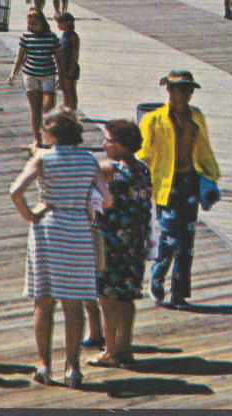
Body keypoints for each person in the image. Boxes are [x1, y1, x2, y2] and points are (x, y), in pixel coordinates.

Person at [10, 108, 113, 388]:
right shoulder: (88, 159)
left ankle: (43, 365)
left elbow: (15, 191)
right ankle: (73, 368)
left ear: (53, 132)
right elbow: (107, 200)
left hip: (48, 226)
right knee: (74, 302)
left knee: (43, 300)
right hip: (78, 227)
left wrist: (31, 215)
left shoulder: (43, 157)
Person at [137, 70, 221, 308]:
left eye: (189, 89)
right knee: (169, 237)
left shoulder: (196, 117)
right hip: (166, 182)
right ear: (169, 90)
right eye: (180, 88)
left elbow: (203, 147)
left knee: (187, 241)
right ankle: (157, 276)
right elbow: (143, 154)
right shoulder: (153, 119)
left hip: (189, 180)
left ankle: (180, 293)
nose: (185, 93)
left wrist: (210, 175)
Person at [87, 119, 152, 369]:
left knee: (106, 297)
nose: (104, 144)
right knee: (127, 296)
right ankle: (124, 347)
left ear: (123, 145)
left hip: (111, 242)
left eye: (109, 140)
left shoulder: (109, 170)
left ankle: (110, 351)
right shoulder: (143, 168)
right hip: (135, 242)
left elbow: (88, 172)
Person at [8, 9, 65, 147]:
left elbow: (58, 58)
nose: (32, 26)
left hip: (48, 74)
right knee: (35, 109)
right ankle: (37, 139)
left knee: (48, 107)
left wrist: (62, 76)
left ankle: (50, 137)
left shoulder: (51, 37)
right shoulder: (26, 36)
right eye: (30, 24)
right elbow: (20, 56)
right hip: (30, 74)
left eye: (35, 23)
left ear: (42, 22)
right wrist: (13, 72)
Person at [55, 12, 80, 111]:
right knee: (64, 90)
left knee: (71, 91)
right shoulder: (63, 35)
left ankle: (72, 110)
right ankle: (66, 109)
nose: (58, 25)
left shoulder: (73, 36)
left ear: (66, 23)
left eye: (60, 23)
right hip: (63, 67)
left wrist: (71, 68)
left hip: (71, 67)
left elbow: (75, 54)